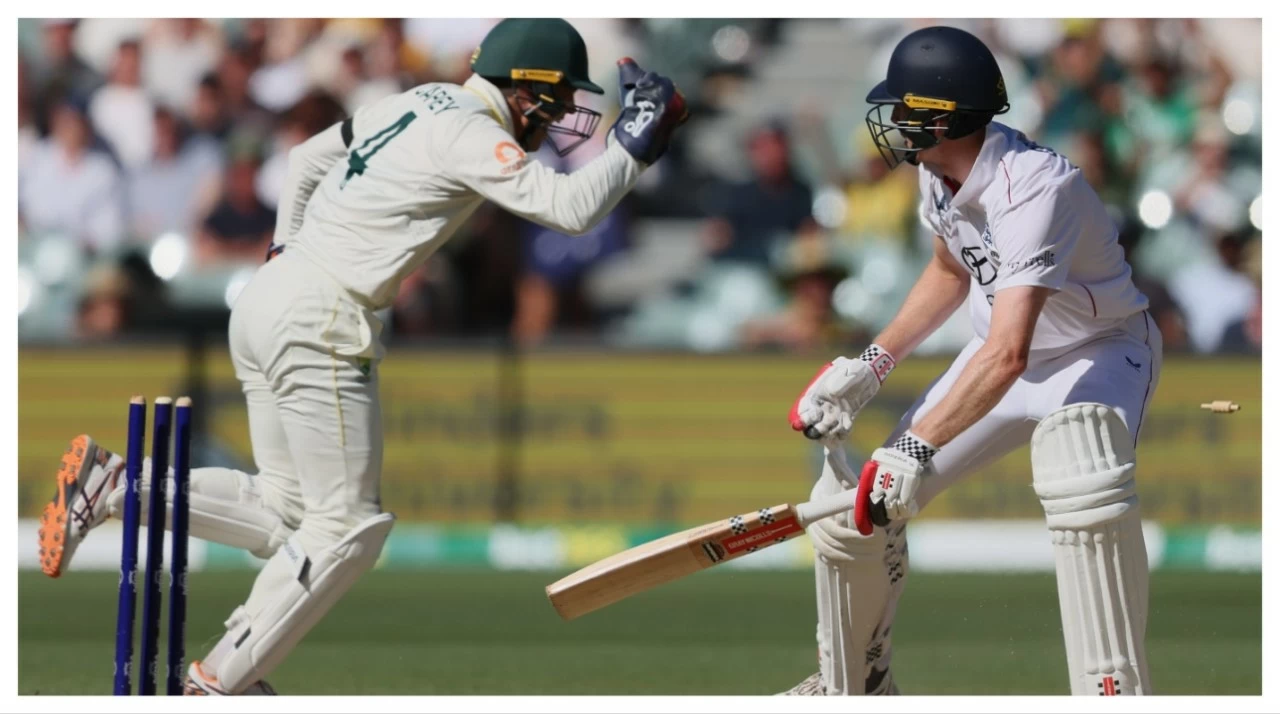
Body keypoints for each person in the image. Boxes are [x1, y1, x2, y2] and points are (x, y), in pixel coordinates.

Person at [37, 18, 687, 695]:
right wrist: (634, 146)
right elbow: (571, 208)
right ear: (525, 89)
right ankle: (217, 681)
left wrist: (285, 254)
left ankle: (113, 487)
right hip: (322, 314)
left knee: (292, 513)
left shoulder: (415, 99)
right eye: (554, 100)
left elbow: (303, 162)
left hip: (269, 299)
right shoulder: (470, 130)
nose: (558, 117)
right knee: (349, 526)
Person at [783, 26, 1160, 696]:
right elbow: (948, 272)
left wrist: (920, 445)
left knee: (1083, 477)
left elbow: (1011, 350)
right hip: (1000, 355)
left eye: (904, 111)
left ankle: (1114, 698)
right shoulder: (940, 173)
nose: (893, 124)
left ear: (944, 117)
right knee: (857, 512)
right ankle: (853, 688)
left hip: (1094, 354)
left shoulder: (1035, 189)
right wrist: (871, 366)